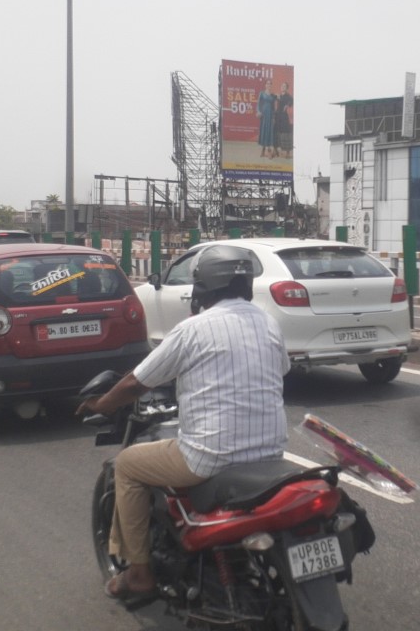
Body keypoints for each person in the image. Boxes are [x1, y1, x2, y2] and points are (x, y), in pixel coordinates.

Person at [76, 244, 289, 601]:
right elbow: (280, 369)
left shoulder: (193, 329)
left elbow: (136, 382)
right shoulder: (268, 322)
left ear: (203, 287)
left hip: (209, 457)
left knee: (127, 465)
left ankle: (140, 574)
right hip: (271, 454)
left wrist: (102, 403)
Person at [256, 79, 277, 158]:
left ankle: (268, 151)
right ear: (265, 85)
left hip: (270, 115)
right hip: (264, 115)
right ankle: (263, 149)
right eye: (267, 83)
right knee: (264, 131)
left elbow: (273, 107)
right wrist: (258, 111)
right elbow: (258, 104)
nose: (269, 85)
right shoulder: (261, 93)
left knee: (269, 132)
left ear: (271, 85)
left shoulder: (272, 95)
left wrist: (274, 117)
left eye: (270, 84)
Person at [275, 82, 294, 158]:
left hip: (284, 117)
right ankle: (278, 151)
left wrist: (287, 105)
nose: (283, 87)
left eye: (284, 86)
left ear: (287, 88)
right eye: (282, 85)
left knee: (286, 133)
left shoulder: (288, 96)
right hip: (278, 116)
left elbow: (291, 101)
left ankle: (288, 152)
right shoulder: (278, 95)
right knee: (278, 133)